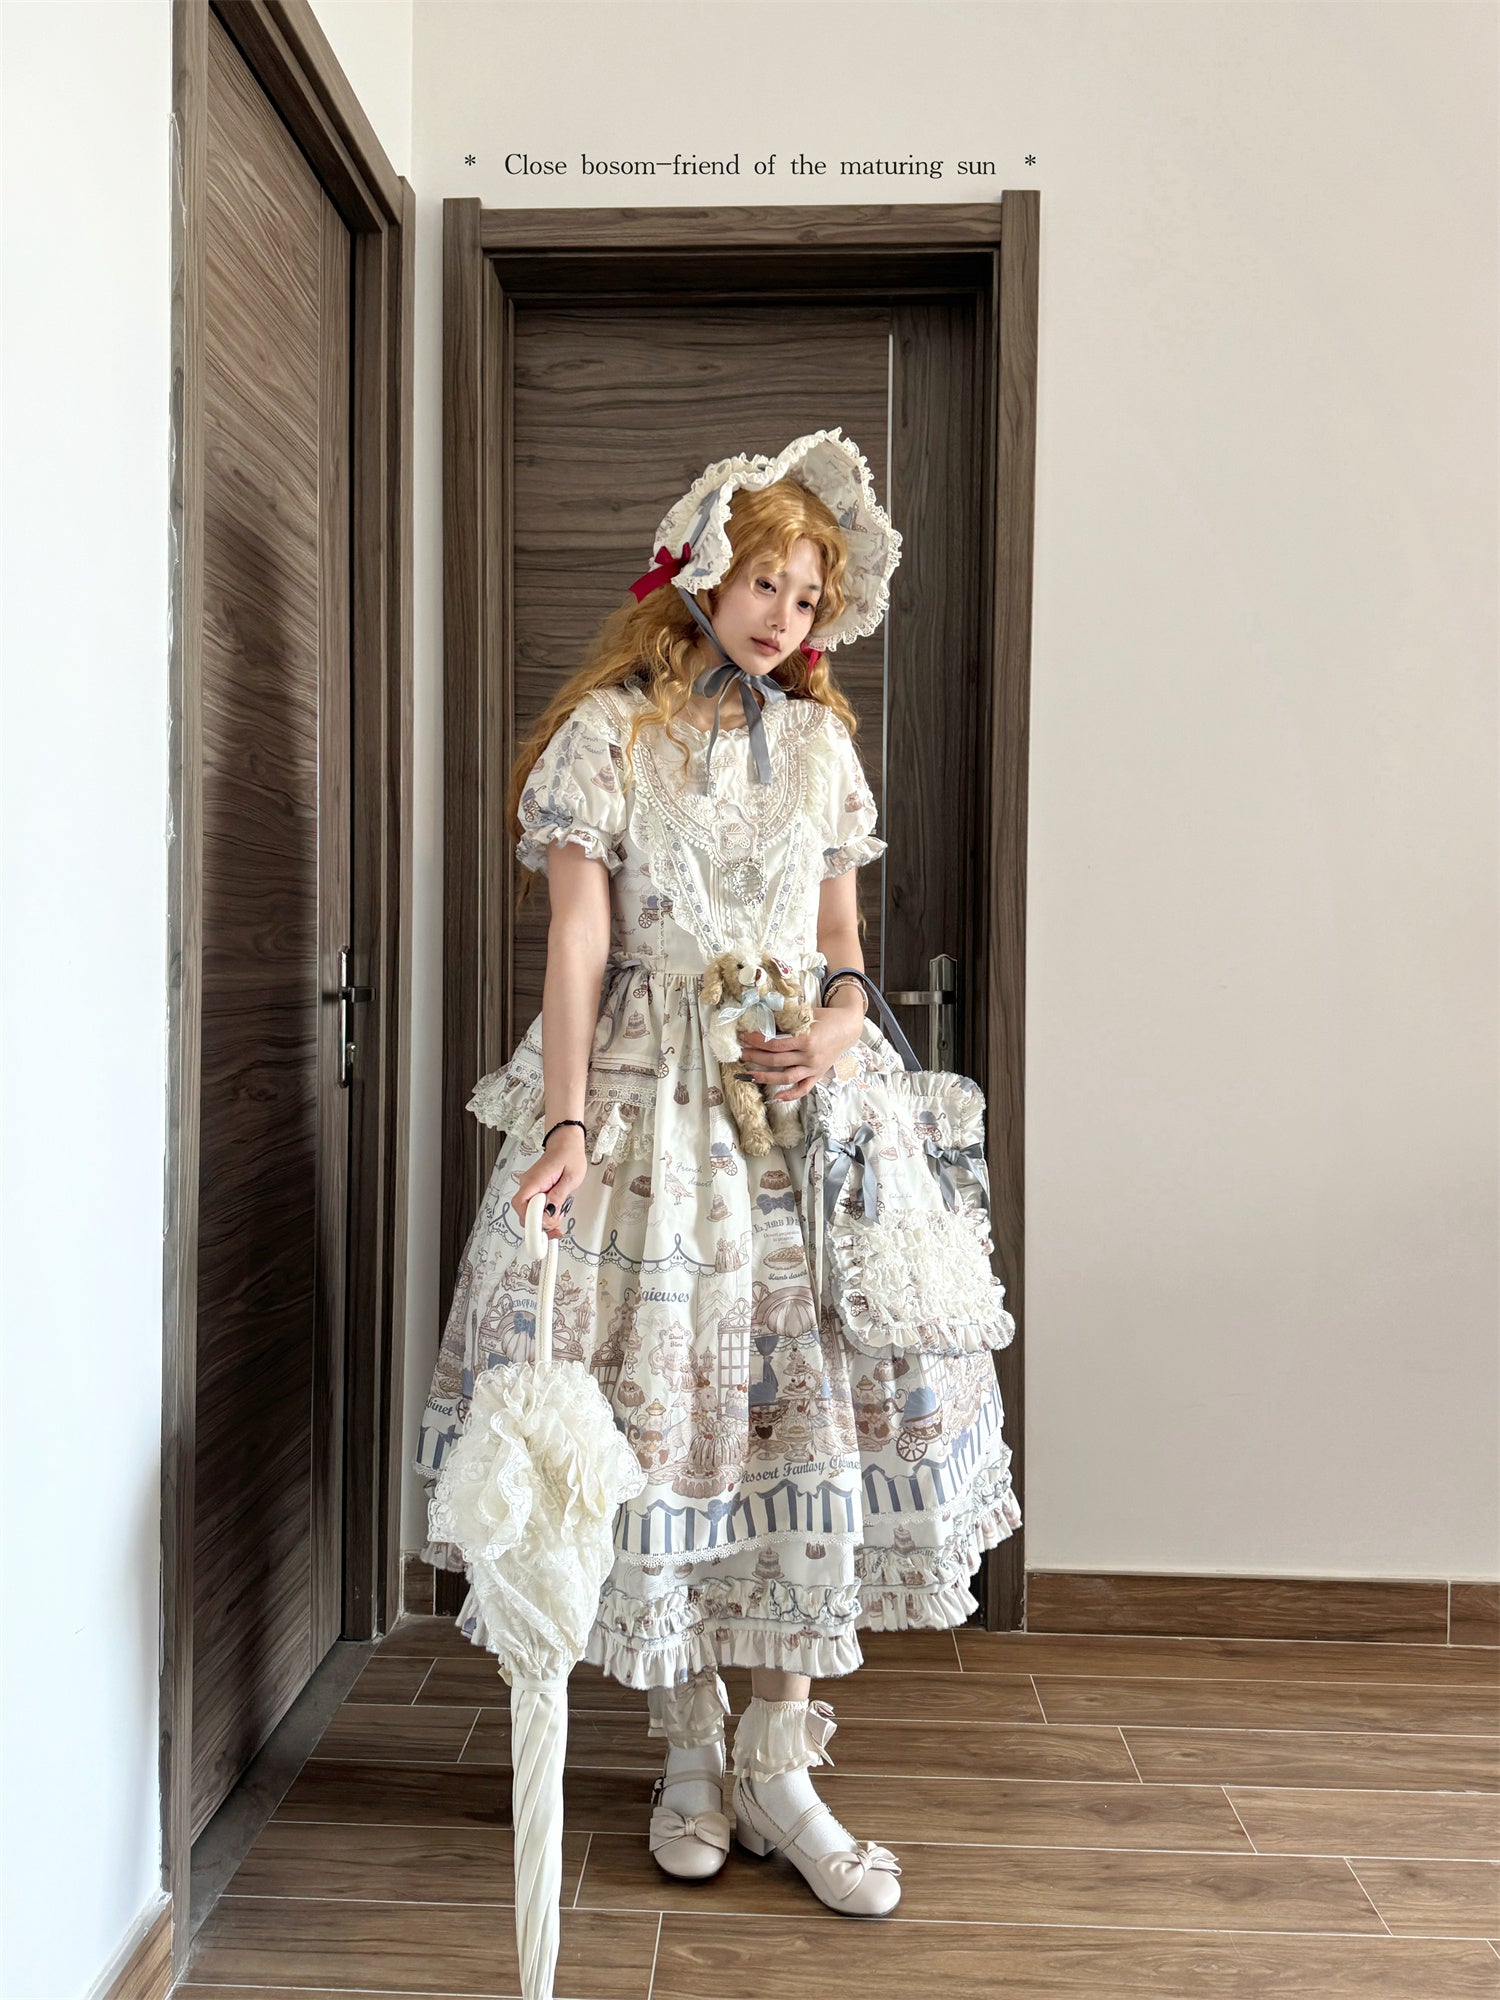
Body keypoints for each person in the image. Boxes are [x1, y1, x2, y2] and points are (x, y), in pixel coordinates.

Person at [415, 428, 1021, 1918]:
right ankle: (686, 1748)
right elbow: (578, 941)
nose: (783, 616)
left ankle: (780, 1767)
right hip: (653, 1107)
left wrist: (839, 1023)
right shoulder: (610, 735)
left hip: (803, 1113)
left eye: (809, 598)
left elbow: (843, 941)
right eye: (764, 584)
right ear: (702, 573)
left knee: (808, 1409)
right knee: (659, 1410)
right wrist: (567, 1126)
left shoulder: (817, 745)